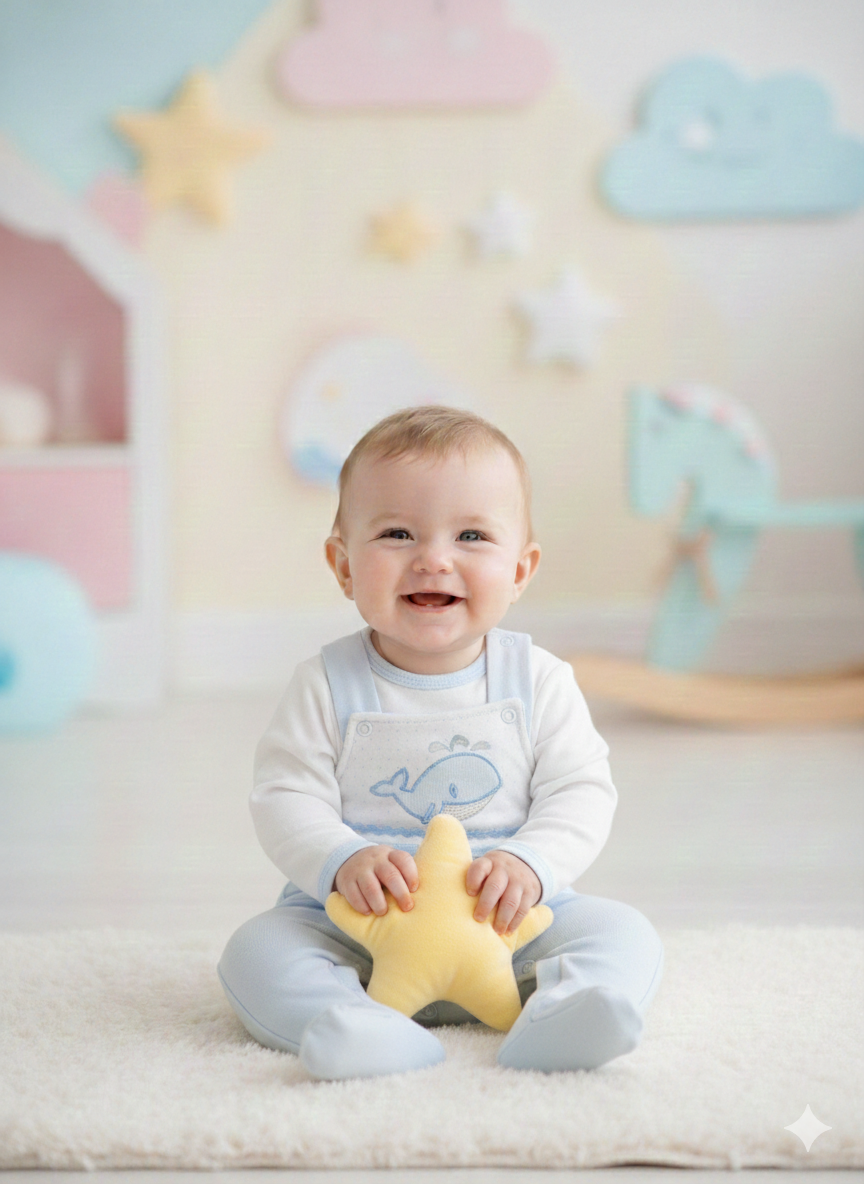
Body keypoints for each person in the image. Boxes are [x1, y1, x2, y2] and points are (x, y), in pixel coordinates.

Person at [218, 405, 663, 1080]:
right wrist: (341, 859)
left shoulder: (538, 680)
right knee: (255, 951)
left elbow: (581, 791)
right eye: (397, 533)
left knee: (624, 933)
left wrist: (530, 865)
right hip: (356, 928)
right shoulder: (326, 685)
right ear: (342, 564)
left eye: (472, 535)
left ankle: (564, 1016)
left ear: (520, 569)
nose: (433, 558)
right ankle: (356, 1027)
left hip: (512, 922)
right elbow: (284, 796)